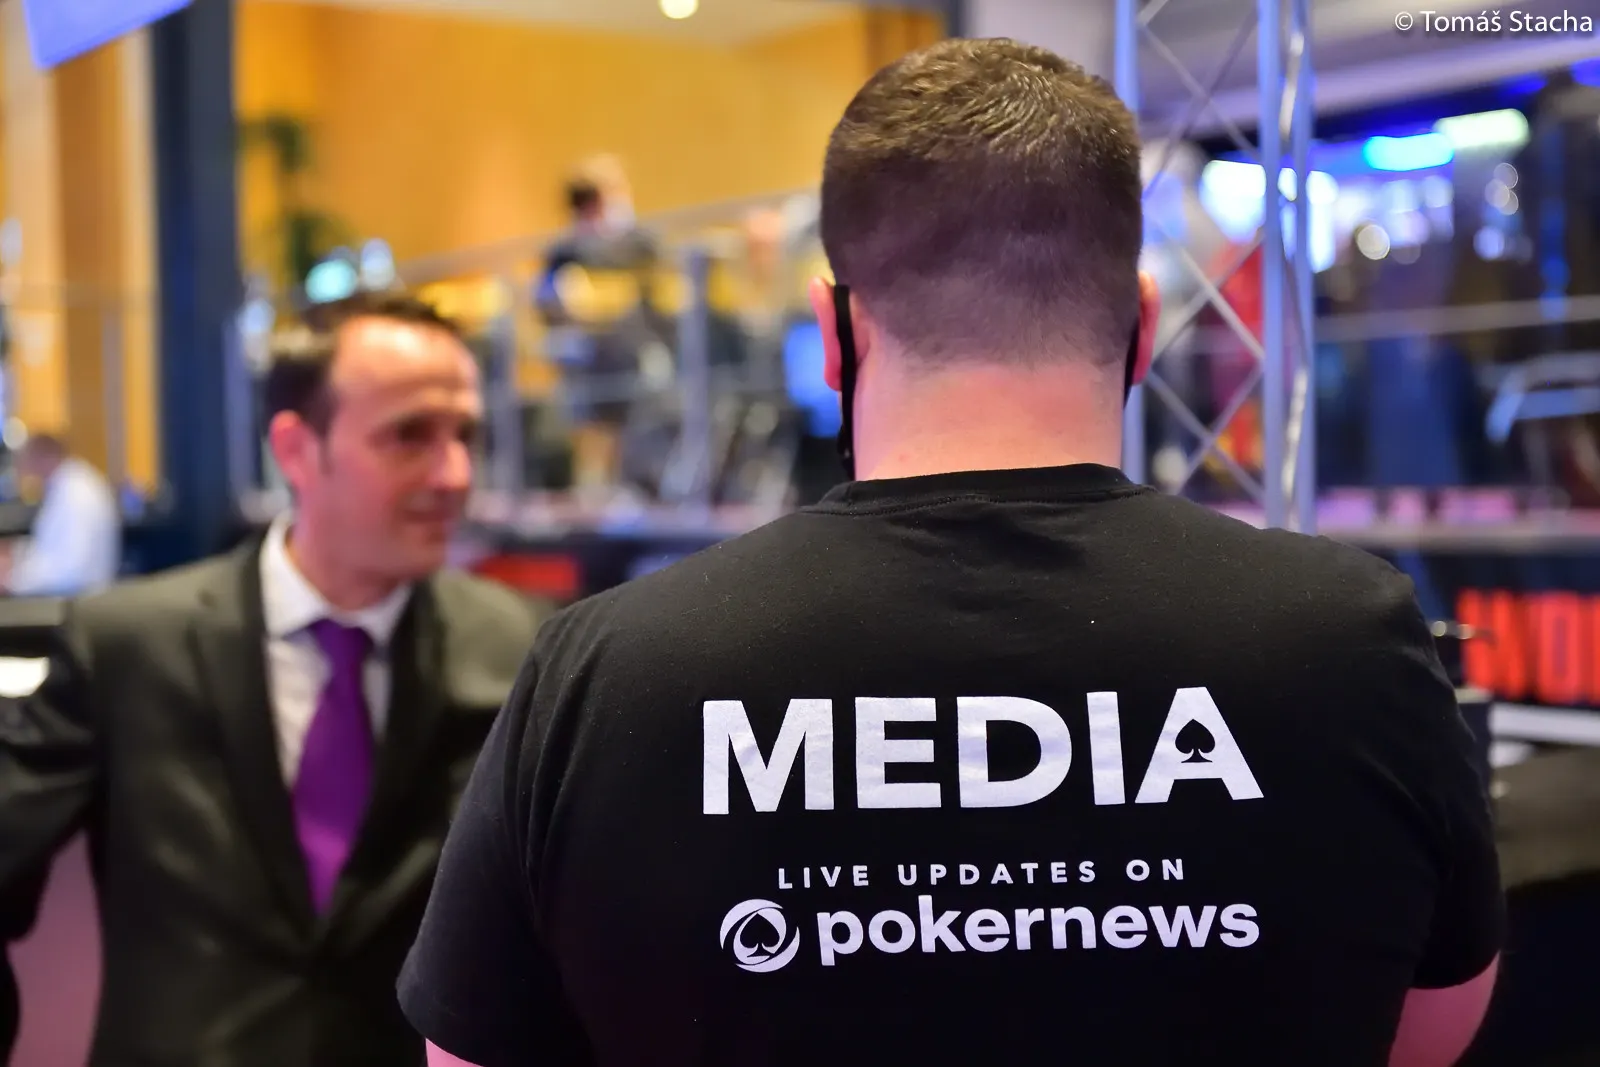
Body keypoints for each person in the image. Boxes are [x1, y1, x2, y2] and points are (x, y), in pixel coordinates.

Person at [399, 40, 1502, 1067]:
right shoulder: (1349, 641)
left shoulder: (606, 673)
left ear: (835, 331)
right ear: (1141, 319)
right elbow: (1430, 1028)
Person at [0, 290, 549, 1065]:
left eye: (465, 434)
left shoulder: (521, 650)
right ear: (295, 449)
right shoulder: (127, 645)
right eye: (409, 435)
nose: (454, 472)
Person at [535, 157, 668, 494]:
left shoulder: (641, 242)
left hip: (636, 358)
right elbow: (547, 304)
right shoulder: (565, 251)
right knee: (594, 446)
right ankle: (594, 496)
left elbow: (662, 296)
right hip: (590, 365)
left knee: (640, 437)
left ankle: (633, 491)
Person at [1, 432, 119, 596]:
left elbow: (69, 571)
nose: (23, 469)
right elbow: (52, 548)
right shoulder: (70, 483)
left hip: (74, 599)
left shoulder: (75, 494)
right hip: (72, 593)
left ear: (42, 458)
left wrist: (12, 581)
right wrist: (15, 552)